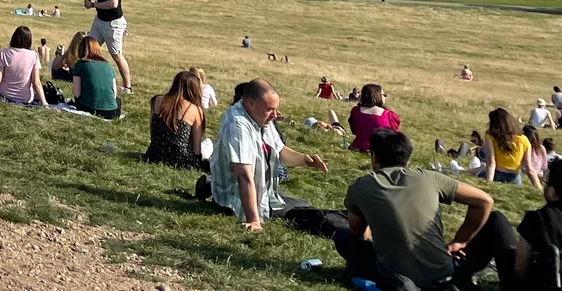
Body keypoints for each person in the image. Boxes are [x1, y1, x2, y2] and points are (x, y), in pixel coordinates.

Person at [339, 130, 519, 291]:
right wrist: (460, 241)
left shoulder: (360, 186)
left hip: (398, 279)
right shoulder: (429, 178)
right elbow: (485, 201)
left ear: (374, 157)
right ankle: (512, 285)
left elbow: (358, 231)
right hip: (447, 275)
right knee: (496, 219)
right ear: (407, 158)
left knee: (343, 237)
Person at [210, 81, 329, 229]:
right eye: (269, 109)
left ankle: (208, 183)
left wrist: (305, 159)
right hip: (236, 196)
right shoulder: (237, 124)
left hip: (262, 187)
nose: (275, 115)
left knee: (305, 207)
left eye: (275, 109)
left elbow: (279, 150)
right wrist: (254, 220)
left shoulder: (260, 116)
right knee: (308, 216)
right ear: (251, 103)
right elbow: (243, 176)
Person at [82, 0, 131, 94]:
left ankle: (127, 87)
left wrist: (92, 5)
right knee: (89, 48)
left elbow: (113, 3)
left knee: (116, 54)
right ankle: (88, 77)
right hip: (100, 20)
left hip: (112, 23)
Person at [0, 25, 47, 107]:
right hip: (25, 98)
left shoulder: (4, 52)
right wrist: (45, 104)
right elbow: (36, 83)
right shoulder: (33, 55)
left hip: (4, 94)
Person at [144, 70, 206, 165]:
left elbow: (153, 131)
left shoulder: (156, 100)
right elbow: (196, 148)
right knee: (208, 143)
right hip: (181, 158)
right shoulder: (194, 109)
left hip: (154, 154)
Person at [482, 107, 538, 184]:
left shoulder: (490, 137)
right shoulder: (524, 139)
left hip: (498, 174)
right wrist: (539, 190)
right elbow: (529, 169)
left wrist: (489, 183)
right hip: (515, 177)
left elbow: (491, 162)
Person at [69, 37, 120, 120]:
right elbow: (114, 94)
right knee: (118, 100)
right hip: (112, 112)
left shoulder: (80, 65)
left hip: (89, 108)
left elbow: (76, 93)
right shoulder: (108, 66)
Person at [349, 84, 401, 155]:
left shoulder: (355, 111)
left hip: (358, 146)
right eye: (384, 95)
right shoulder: (389, 115)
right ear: (378, 96)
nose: (385, 97)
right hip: (381, 150)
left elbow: (354, 130)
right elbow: (393, 135)